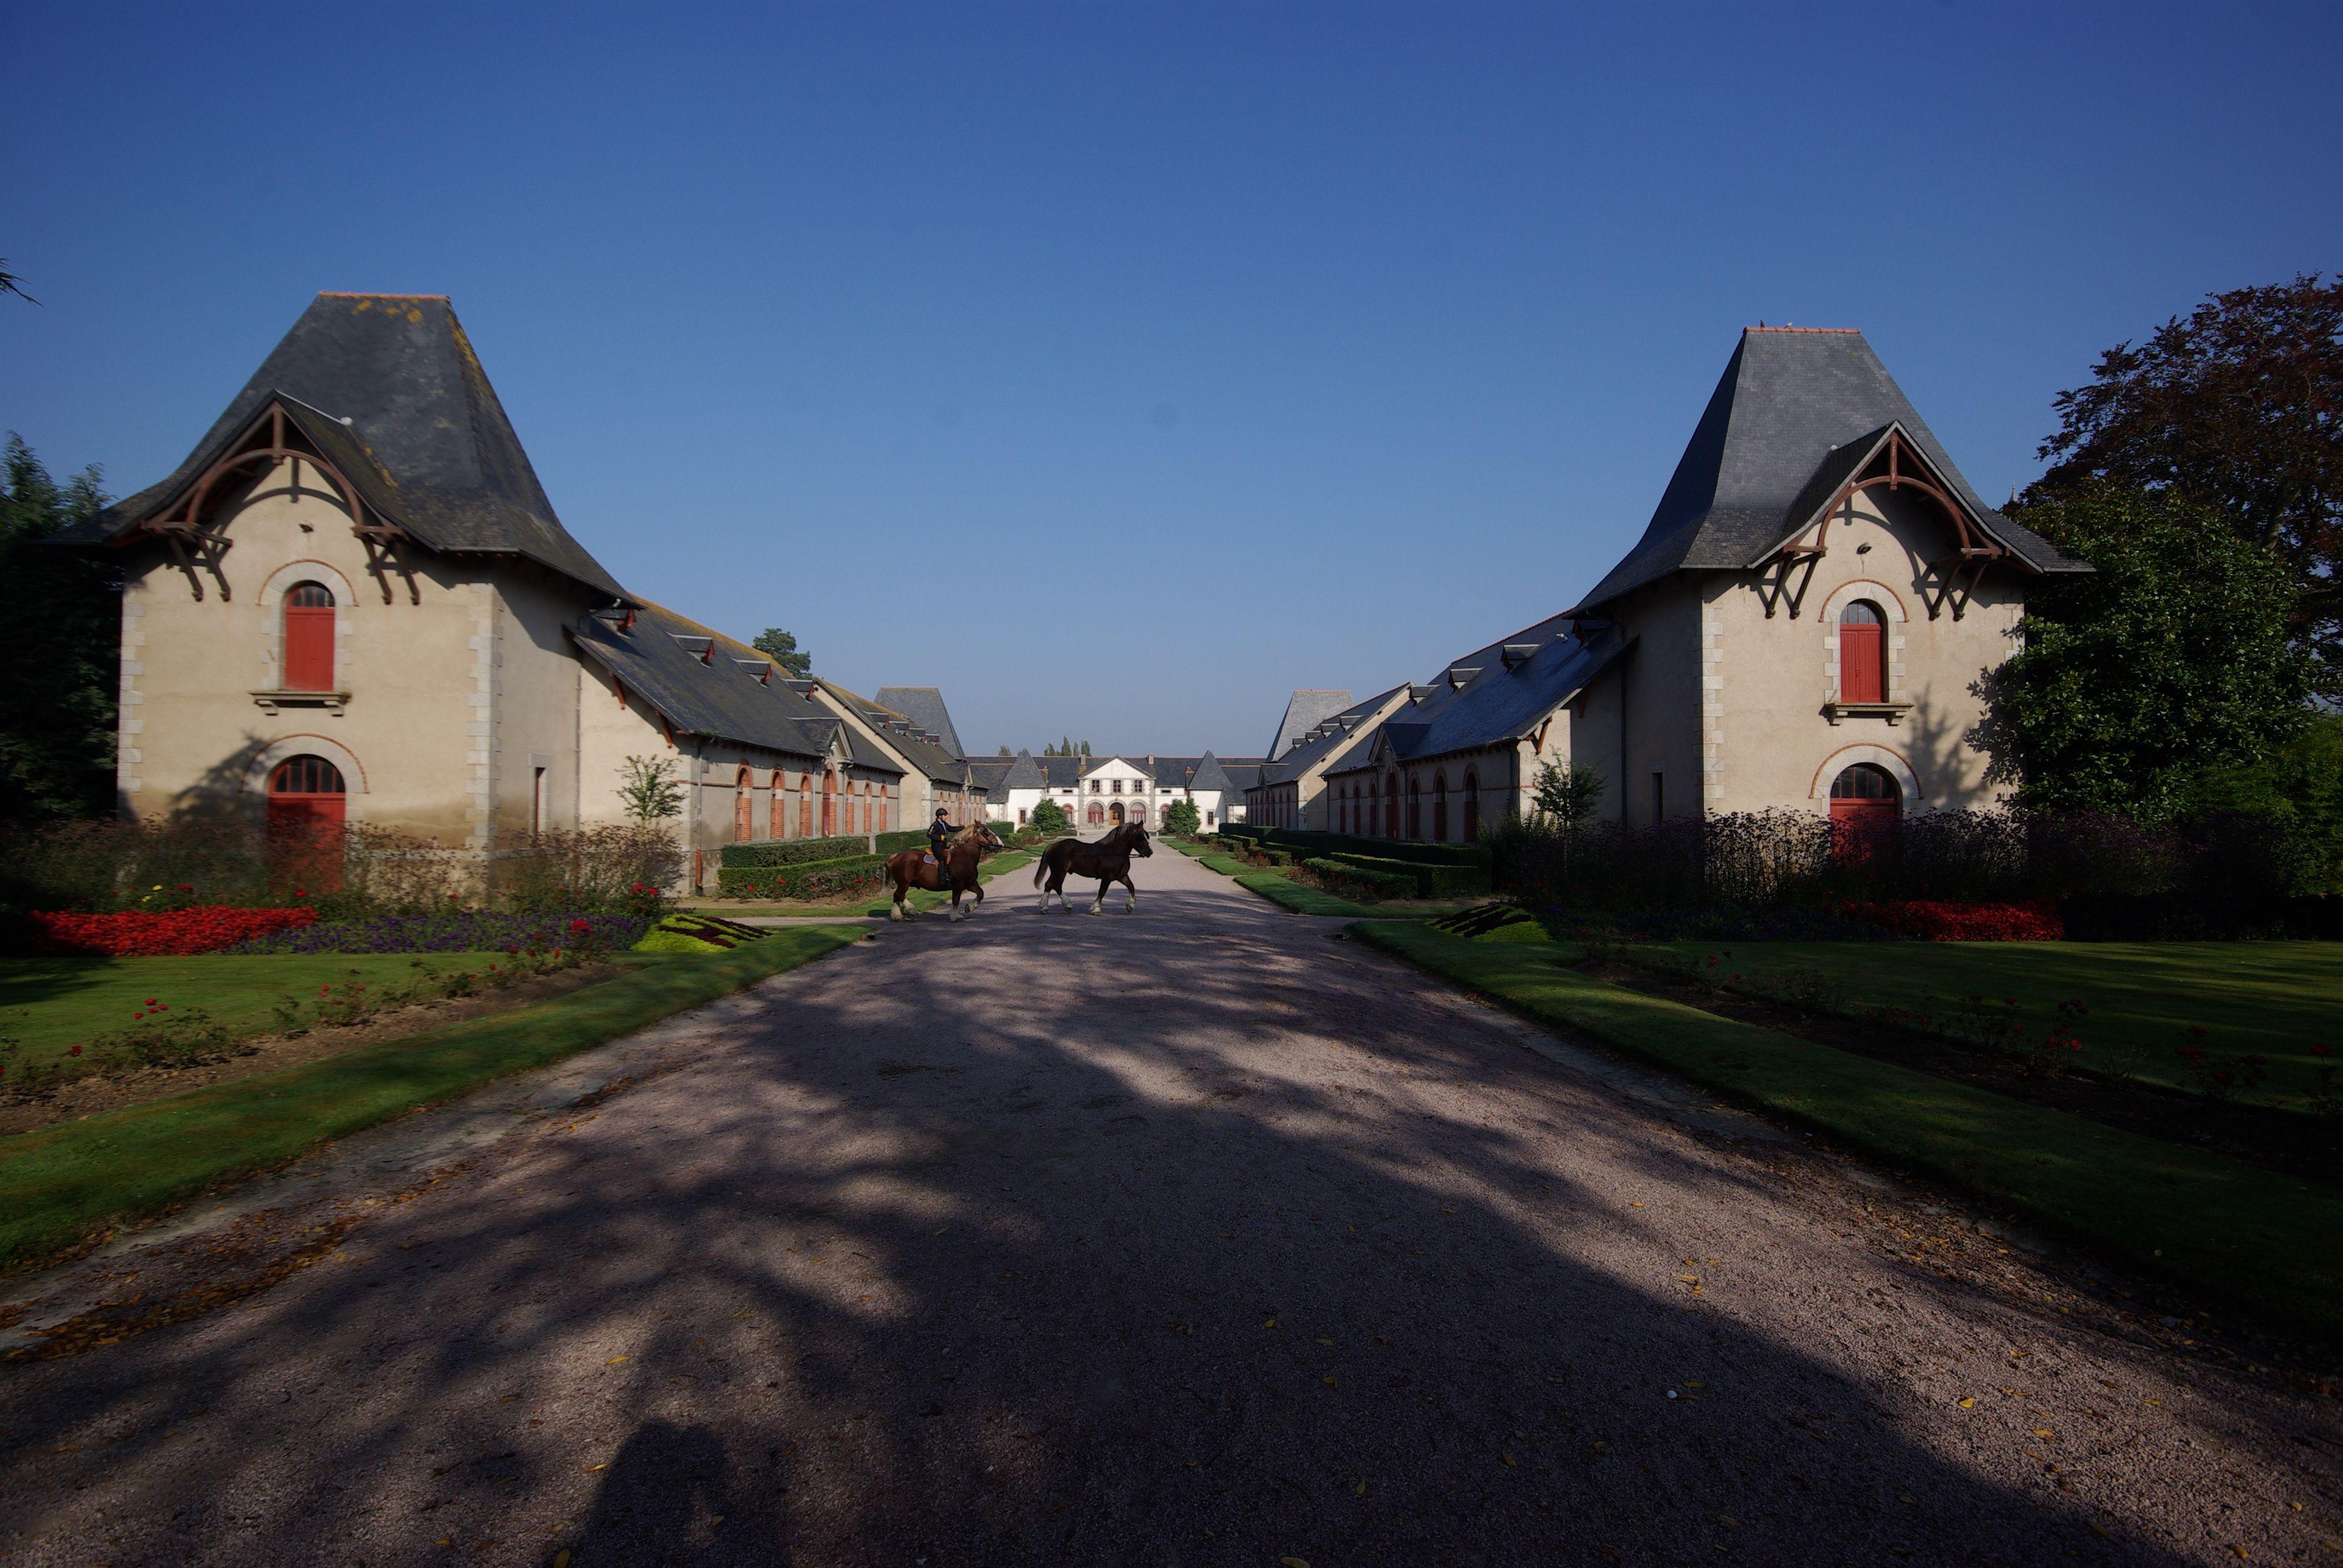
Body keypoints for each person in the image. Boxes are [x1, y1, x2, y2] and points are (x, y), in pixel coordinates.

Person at [926, 808, 955, 881]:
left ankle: (948, 874)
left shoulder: (944, 824)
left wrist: (963, 827)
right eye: (945, 815)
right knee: (942, 860)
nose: (946, 817)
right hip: (937, 847)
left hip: (943, 846)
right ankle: (942, 879)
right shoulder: (935, 825)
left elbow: (951, 829)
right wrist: (940, 837)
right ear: (940, 816)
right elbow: (929, 834)